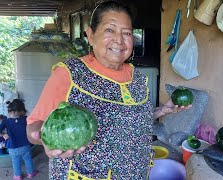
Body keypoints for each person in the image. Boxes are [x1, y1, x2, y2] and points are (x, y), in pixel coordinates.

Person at [26, 1, 191, 179]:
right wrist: (46, 138)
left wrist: (162, 110)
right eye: (109, 30)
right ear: (91, 35)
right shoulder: (70, 74)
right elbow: (33, 128)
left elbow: (130, 121)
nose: (119, 40)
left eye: (126, 33)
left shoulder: (135, 76)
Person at [0, 100, 38, 180]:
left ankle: (18, 176)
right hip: (25, 145)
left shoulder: (6, 121)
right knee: (28, 159)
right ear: (19, 111)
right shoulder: (25, 119)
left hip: (12, 147)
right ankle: (30, 173)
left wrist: (3, 134)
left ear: (12, 112)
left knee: (15, 161)